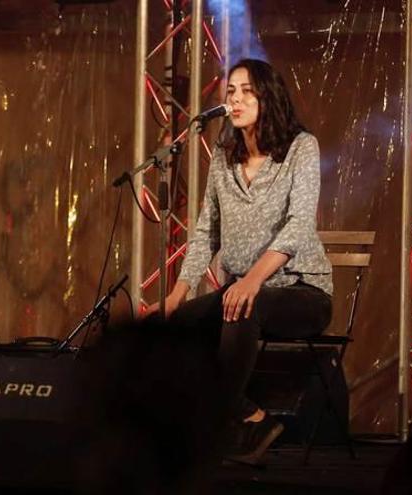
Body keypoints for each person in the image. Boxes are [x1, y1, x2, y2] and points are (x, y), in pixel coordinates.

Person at [147, 58, 333, 464]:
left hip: (300, 291)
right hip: (242, 292)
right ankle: (249, 416)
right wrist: (179, 294)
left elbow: (300, 223)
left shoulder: (301, 147)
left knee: (242, 304)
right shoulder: (224, 155)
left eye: (247, 90)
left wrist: (251, 280)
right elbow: (204, 231)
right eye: (231, 91)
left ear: (269, 97)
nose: (236, 99)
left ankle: (218, 424)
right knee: (171, 329)